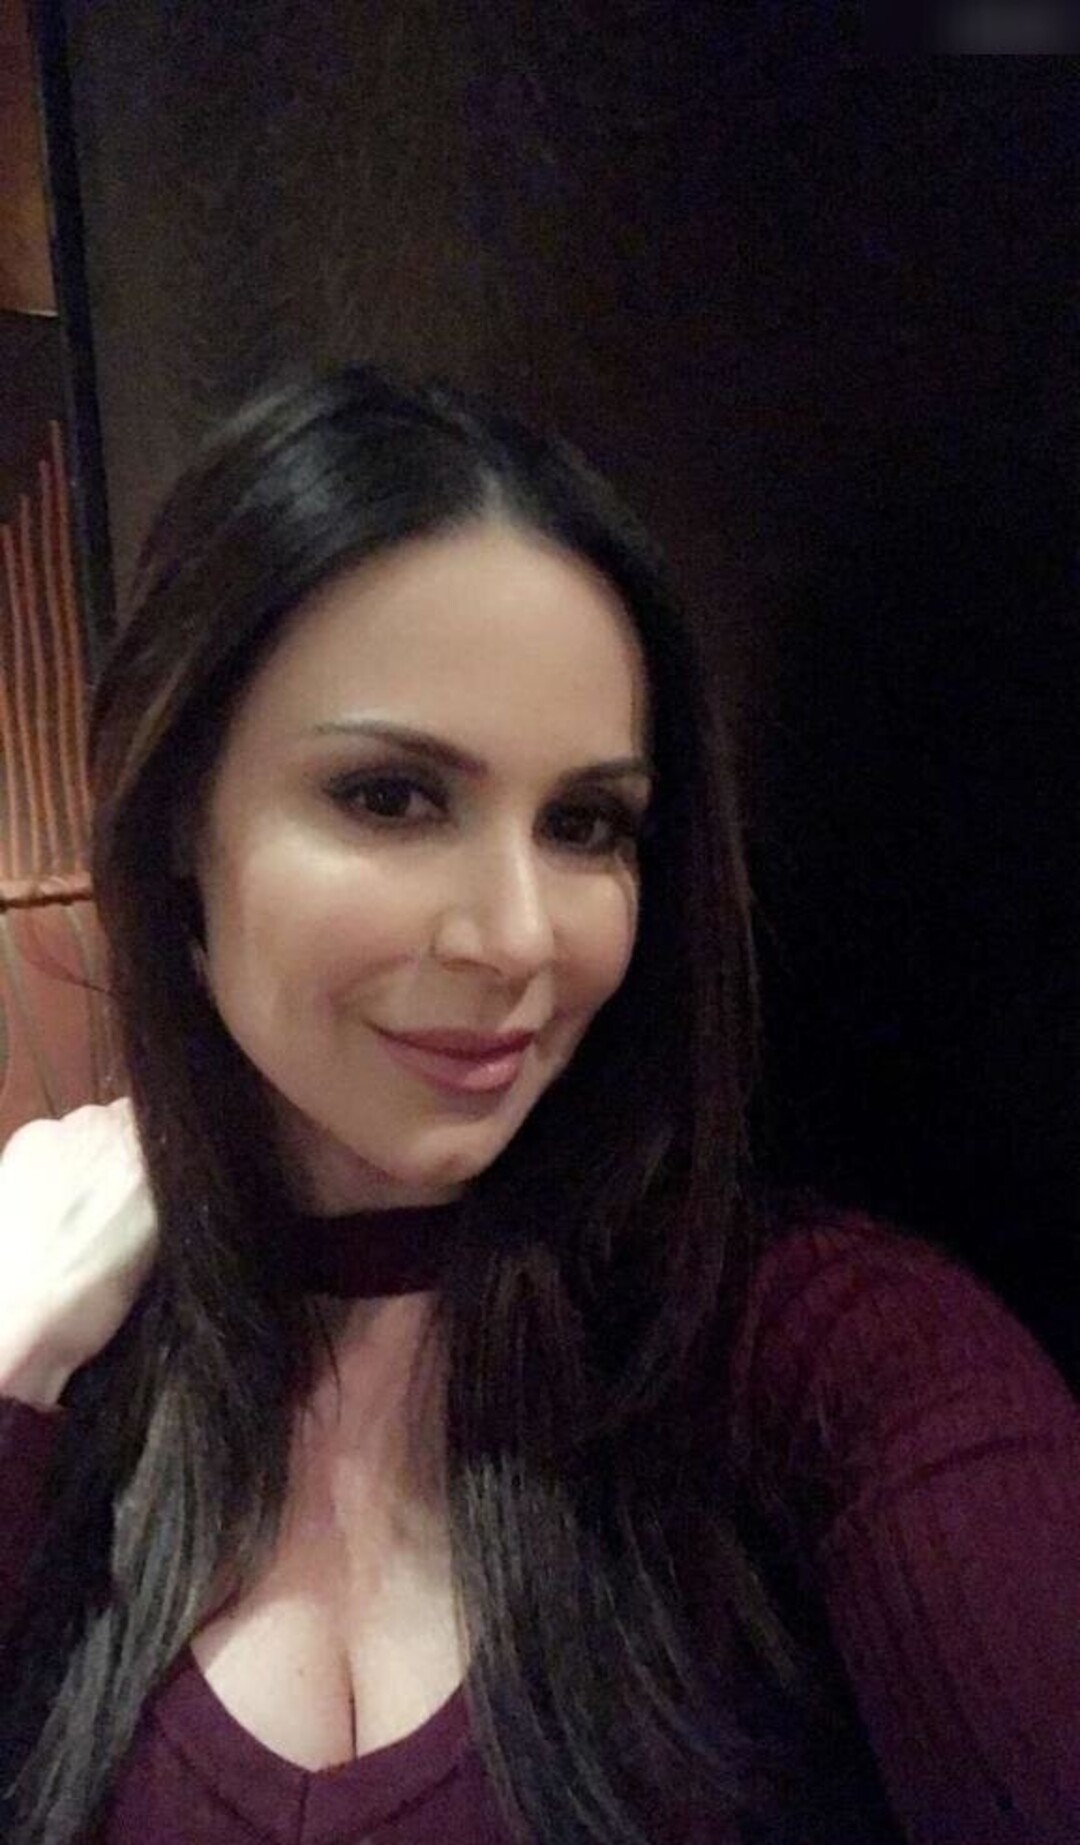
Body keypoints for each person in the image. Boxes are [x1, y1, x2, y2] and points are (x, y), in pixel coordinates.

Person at [0, 364, 1076, 1845]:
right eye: (392, 796)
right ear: (181, 809)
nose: (517, 939)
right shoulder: (62, 1346)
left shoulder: (824, 1361)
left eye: (585, 824)